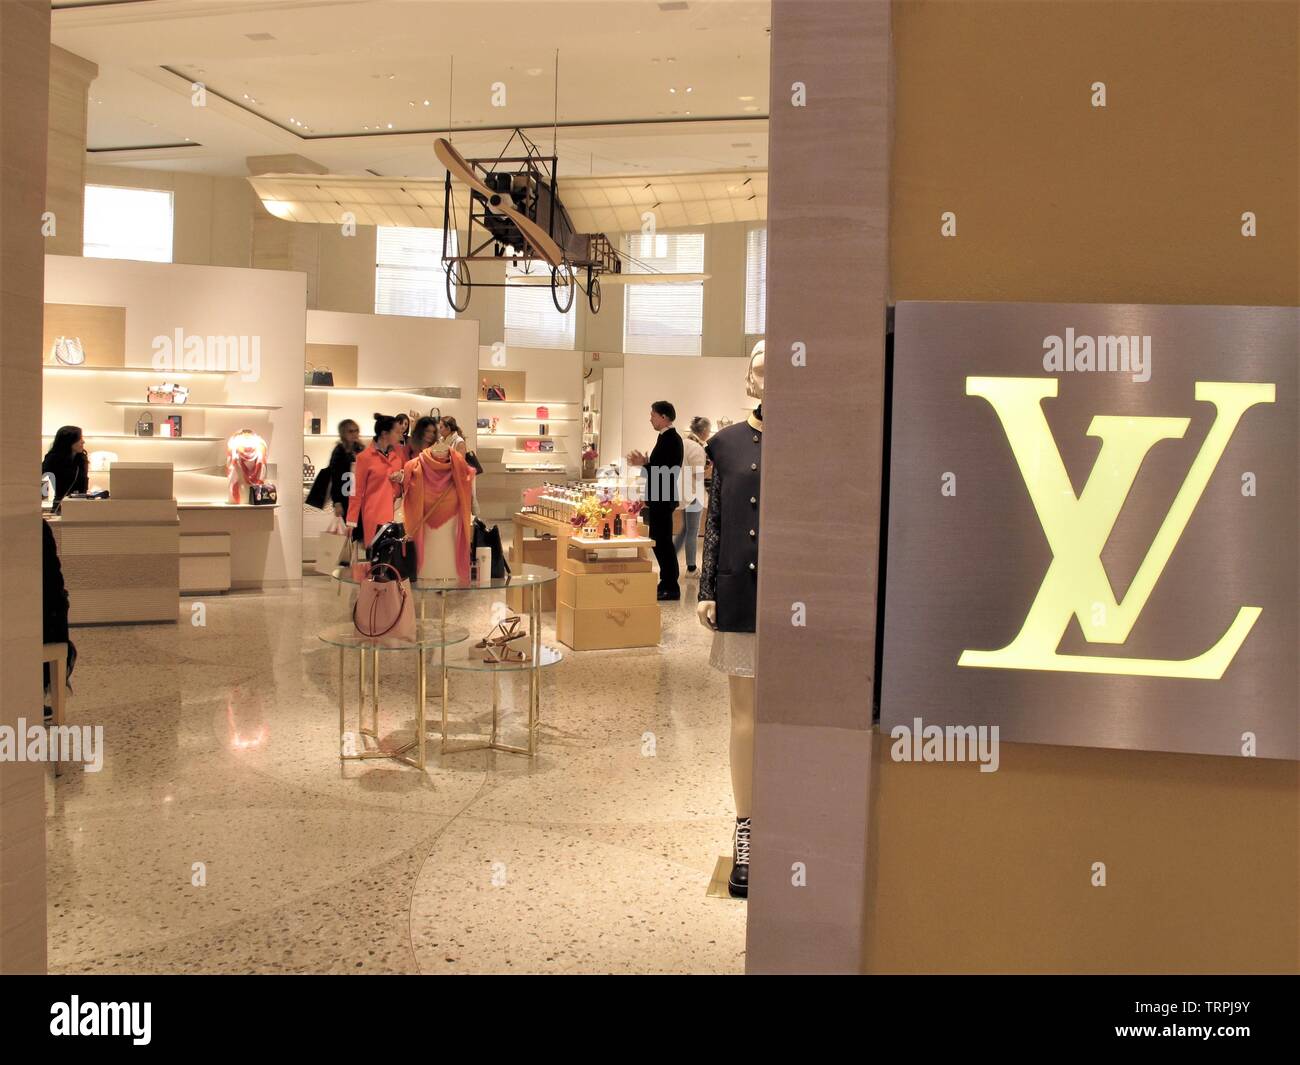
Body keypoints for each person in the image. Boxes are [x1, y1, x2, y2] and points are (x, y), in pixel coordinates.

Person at [628, 400, 684, 601]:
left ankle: (671, 585)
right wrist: (646, 464)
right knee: (660, 543)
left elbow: (666, 471)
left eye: (652, 414)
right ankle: (666, 583)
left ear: (664, 417)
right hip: (659, 497)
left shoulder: (671, 439)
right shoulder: (665, 438)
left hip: (663, 497)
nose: (650, 418)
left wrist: (643, 465)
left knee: (663, 544)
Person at [346, 413, 405, 547]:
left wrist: (402, 477)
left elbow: (408, 478)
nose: (400, 435)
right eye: (396, 432)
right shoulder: (364, 457)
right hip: (374, 515)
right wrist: (351, 520)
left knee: (395, 559)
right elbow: (356, 490)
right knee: (376, 559)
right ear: (384, 434)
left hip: (397, 514)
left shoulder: (398, 454)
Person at [674, 417, 710, 574]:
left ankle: (670, 558)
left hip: (682, 492)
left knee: (685, 529)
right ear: (703, 432)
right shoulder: (696, 447)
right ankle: (691, 567)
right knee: (692, 531)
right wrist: (712, 470)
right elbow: (699, 474)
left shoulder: (682, 443)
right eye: (708, 431)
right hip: (694, 493)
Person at [306, 419, 362, 514]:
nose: (354, 434)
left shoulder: (360, 449)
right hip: (345, 495)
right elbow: (335, 477)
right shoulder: (339, 451)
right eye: (350, 431)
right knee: (350, 526)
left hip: (358, 495)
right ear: (343, 433)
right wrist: (337, 502)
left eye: (356, 430)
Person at [42, 425, 89, 505]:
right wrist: (43, 501)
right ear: (69, 441)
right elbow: (41, 479)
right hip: (61, 505)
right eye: (80, 438)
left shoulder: (81, 459)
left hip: (81, 504)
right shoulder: (53, 459)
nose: (83, 441)